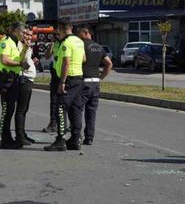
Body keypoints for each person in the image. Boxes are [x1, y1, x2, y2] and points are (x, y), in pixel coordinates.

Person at [45, 18, 86, 152]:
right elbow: (84, 58)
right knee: (76, 109)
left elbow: (66, 63)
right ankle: (75, 138)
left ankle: (60, 139)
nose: (56, 32)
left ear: (61, 29)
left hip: (68, 79)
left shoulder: (66, 43)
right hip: (79, 78)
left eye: (57, 29)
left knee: (60, 107)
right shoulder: (79, 41)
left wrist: (62, 82)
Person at [0, 22, 30, 149]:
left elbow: (18, 59)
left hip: (13, 78)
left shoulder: (15, 42)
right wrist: (19, 64)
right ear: (15, 30)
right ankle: (5, 139)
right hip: (5, 78)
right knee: (7, 110)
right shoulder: (6, 41)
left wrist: (25, 49)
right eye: (22, 32)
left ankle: (8, 138)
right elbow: (4, 60)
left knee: (11, 109)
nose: (23, 35)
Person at [77, 28, 112, 146]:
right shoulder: (99, 47)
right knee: (91, 112)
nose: (78, 36)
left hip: (83, 82)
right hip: (95, 83)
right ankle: (89, 138)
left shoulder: (81, 45)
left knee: (77, 110)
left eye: (79, 33)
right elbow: (109, 64)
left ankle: (77, 136)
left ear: (86, 32)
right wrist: (101, 77)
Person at [14, 27, 37, 146]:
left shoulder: (27, 47)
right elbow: (21, 61)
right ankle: (19, 136)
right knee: (21, 109)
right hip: (23, 79)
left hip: (28, 79)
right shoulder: (20, 45)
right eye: (27, 34)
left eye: (30, 35)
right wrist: (26, 49)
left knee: (25, 109)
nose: (28, 37)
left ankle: (22, 134)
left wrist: (33, 61)